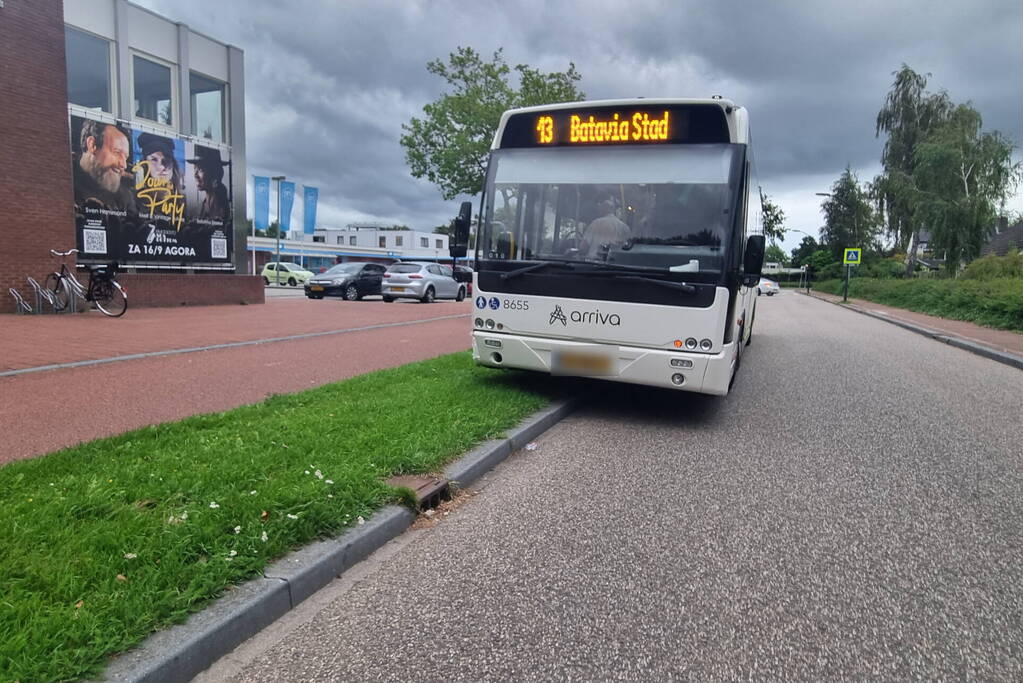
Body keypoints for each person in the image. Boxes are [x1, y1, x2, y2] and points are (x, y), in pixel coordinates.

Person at [74, 120, 135, 211]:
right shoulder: (68, 184)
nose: (123, 165)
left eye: (125, 157)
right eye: (117, 152)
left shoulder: (125, 197)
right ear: (92, 145)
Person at [187, 146, 231, 222]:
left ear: (215, 173)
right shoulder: (195, 211)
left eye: (200, 169)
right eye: (194, 169)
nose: (195, 175)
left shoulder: (230, 209)